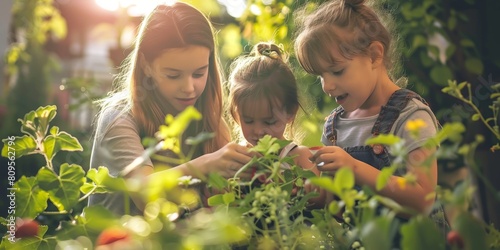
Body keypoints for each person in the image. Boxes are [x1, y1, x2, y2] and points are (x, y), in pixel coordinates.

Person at [293, 0, 449, 244]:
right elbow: (336, 204)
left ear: (375, 56)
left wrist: (354, 168)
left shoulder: (410, 116)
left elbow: (423, 199)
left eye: (336, 71)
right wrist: (316, 194)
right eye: (320, 76)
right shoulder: (334, 126)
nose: (327, 86)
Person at [88, 2, 254, 216]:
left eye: (198, 73)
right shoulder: (119, 119)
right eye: (173, 75)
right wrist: (206, 164)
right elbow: (145, 194)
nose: (189, 88)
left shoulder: (209, 122)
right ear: (146, 66)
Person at [226, 42, 324, 208]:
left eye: (269, 121)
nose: (258, 131)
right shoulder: (238, 158)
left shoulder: (299, 158)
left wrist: (307, 192)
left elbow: (320, 202)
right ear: (236, 115)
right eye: (248, 120)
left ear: (290, 113)